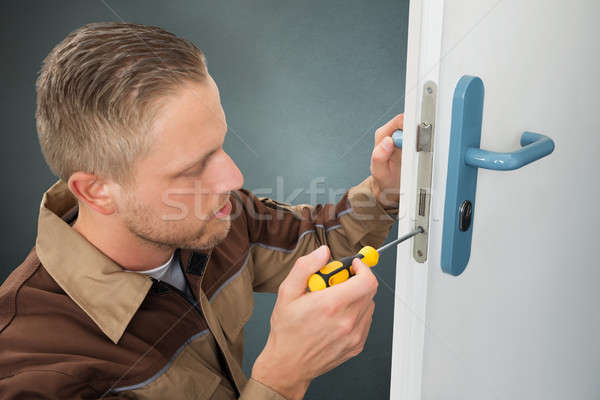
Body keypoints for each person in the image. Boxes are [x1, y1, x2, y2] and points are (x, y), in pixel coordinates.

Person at [0, 22, 403, 399]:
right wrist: (281, 380)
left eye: (220, 146)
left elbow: (318, 241)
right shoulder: (34, 366)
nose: (232, 177)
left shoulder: (215, 215)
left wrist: (385, 192)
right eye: (192, 168)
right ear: (97, 191)